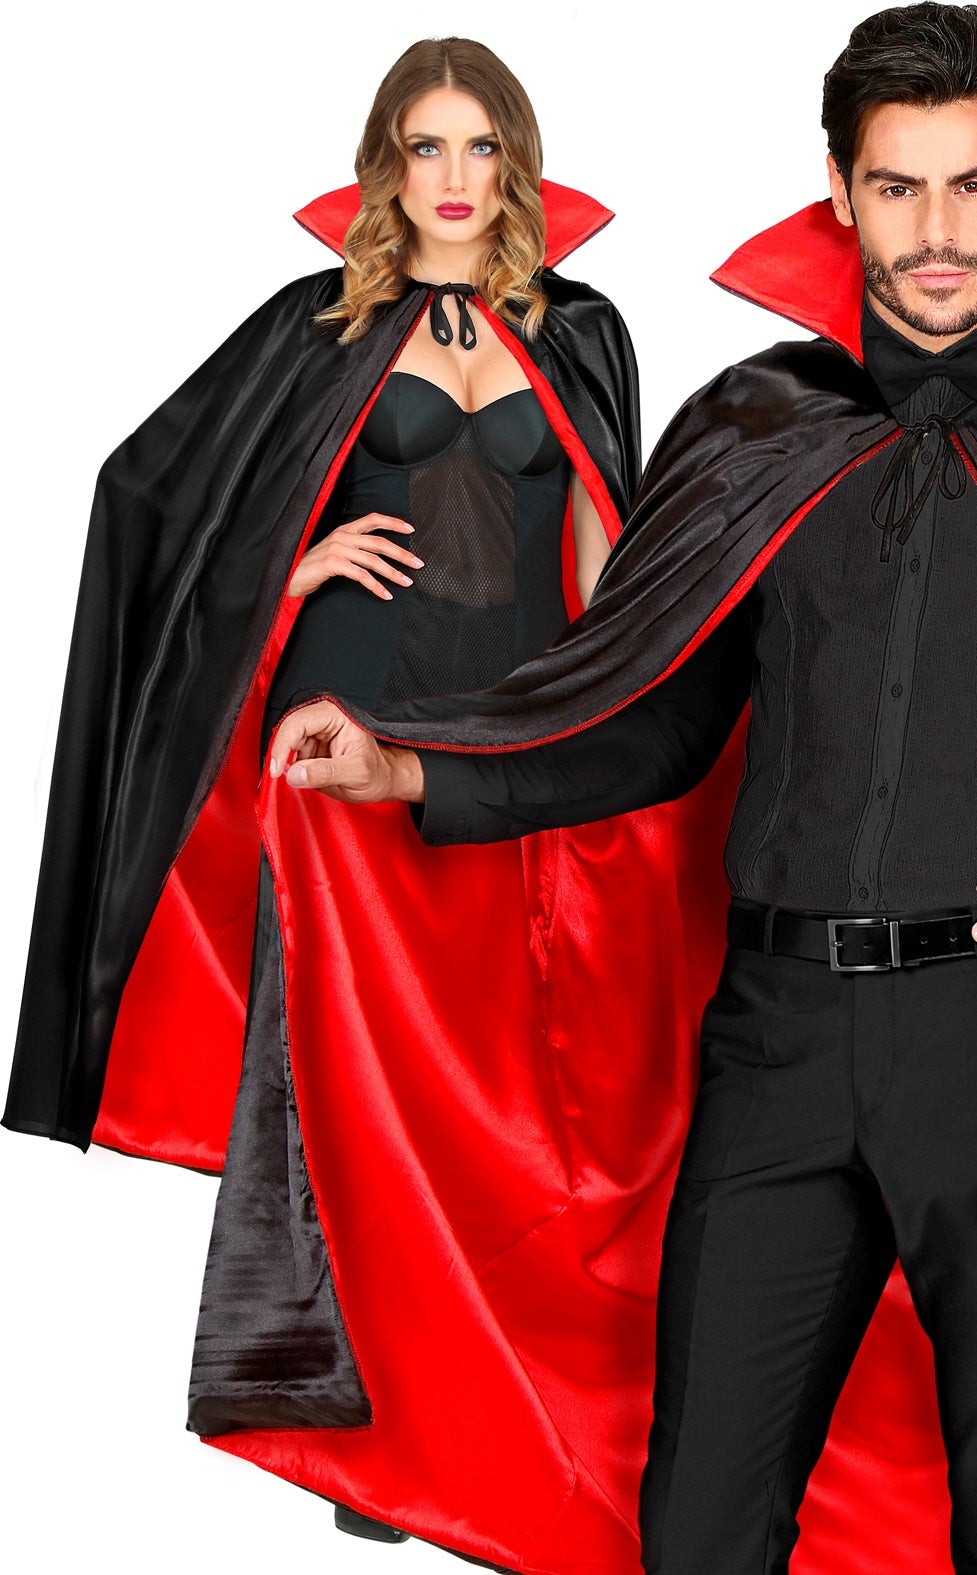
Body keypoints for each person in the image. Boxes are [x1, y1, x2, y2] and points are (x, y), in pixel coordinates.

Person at [270, 5, 977, 1574]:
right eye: (897, 187)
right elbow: (650, 712)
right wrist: (411, 763)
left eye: (972, 183)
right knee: (699, 1522)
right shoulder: (754, 423)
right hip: (778, 1039)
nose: (937, 231)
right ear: (838, 191)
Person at [4, 32, 653, 1556]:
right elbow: (142, 491)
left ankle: (494, 1423)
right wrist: (287, 573)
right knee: (352, 1093)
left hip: (500, 747)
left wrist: (634, 685)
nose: (452, 178)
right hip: (343, 738)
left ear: (515, 163)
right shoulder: (321, 328)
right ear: (386, 168)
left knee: (507, 1093)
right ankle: (373, 1448)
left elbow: (604, 542)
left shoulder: (580, 331)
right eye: (425, 148)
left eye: (478, 146)